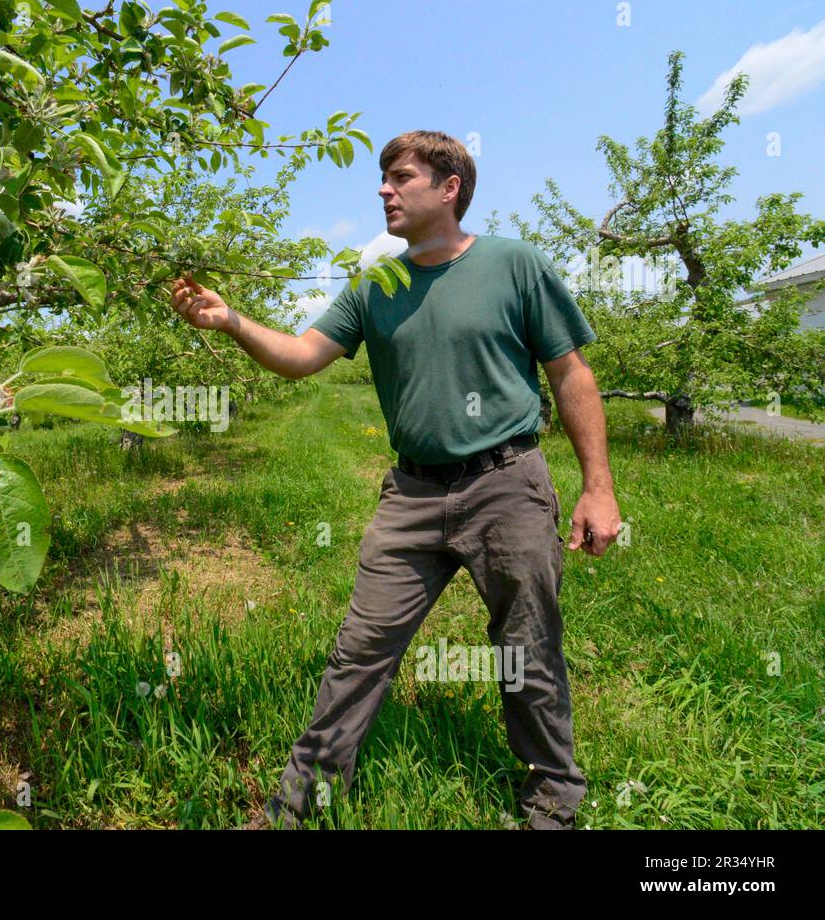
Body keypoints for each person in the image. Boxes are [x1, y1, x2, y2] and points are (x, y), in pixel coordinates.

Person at [167, 130, 622, 830]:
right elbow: (301, 354)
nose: (384, 189)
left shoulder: (513, 264)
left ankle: (553, 796)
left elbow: (570, 373)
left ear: (450, 188)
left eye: (400, 176)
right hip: (411, 496)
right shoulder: (377, 286)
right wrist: (231, 322)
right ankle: (298, 806)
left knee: (526, 645)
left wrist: (599, 487)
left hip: (505, 482)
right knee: (360, 649)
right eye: (382, 177)